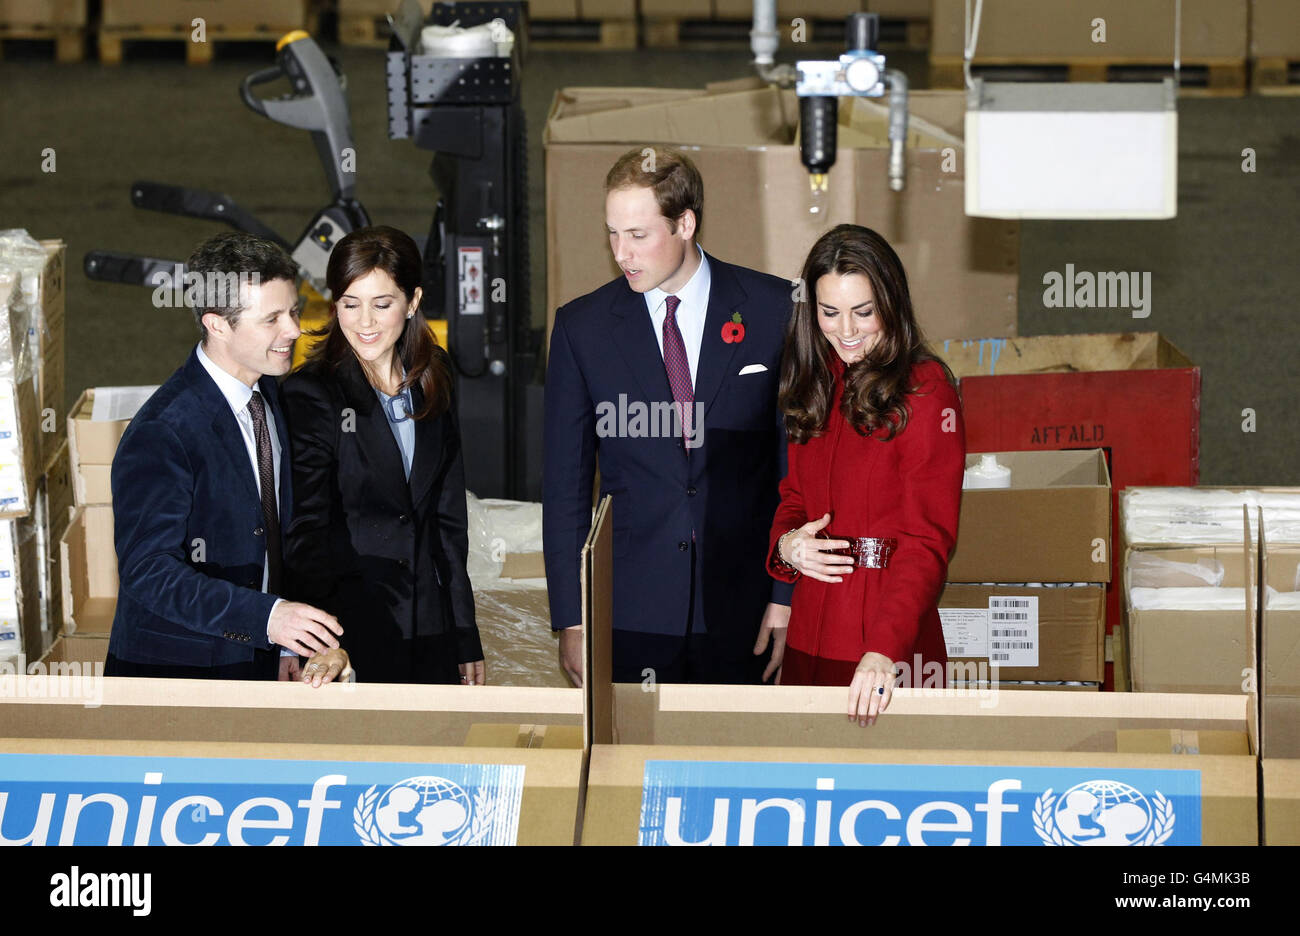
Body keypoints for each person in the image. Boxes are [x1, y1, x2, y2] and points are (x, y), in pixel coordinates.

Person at [544, 147, 794, 687]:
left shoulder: (774, 311)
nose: (621, 253)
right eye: (612, 234)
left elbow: (792, 470)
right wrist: (570, 616)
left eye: (638, 234)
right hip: (630, 610)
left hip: (744, 607)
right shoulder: (581, 329)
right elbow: (564, 489)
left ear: (686, 222)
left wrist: (785, 595)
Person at [107, 232, 347, 684]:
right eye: (271, 318)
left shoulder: (268, 393)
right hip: (178, 679)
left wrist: (279, 641)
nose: (293, 330)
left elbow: (272, 531)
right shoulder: (163, 432)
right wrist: (266, 618)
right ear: (217, 324)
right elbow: (149, 573)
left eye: (292, 311)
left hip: (256, 661)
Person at [767, 224, 965, 725]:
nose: (847, 331)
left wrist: (884, 651)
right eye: (830, 313)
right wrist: (788, 547)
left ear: (891, 304)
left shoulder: (927, 390)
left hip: (883, 641)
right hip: (811, 629)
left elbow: (927, 540)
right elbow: (793, 498)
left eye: (864, 312)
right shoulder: (814, 379)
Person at [282, 225, 485, 685]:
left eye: (382, 304)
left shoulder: (436, 375)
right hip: (348, 635)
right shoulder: (312, 394)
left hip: (431, 628)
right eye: (350, 304)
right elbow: (305, 533)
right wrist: (322, 642)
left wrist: (463, 629)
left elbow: (448, 518)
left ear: (412, 302)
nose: (365, 322)